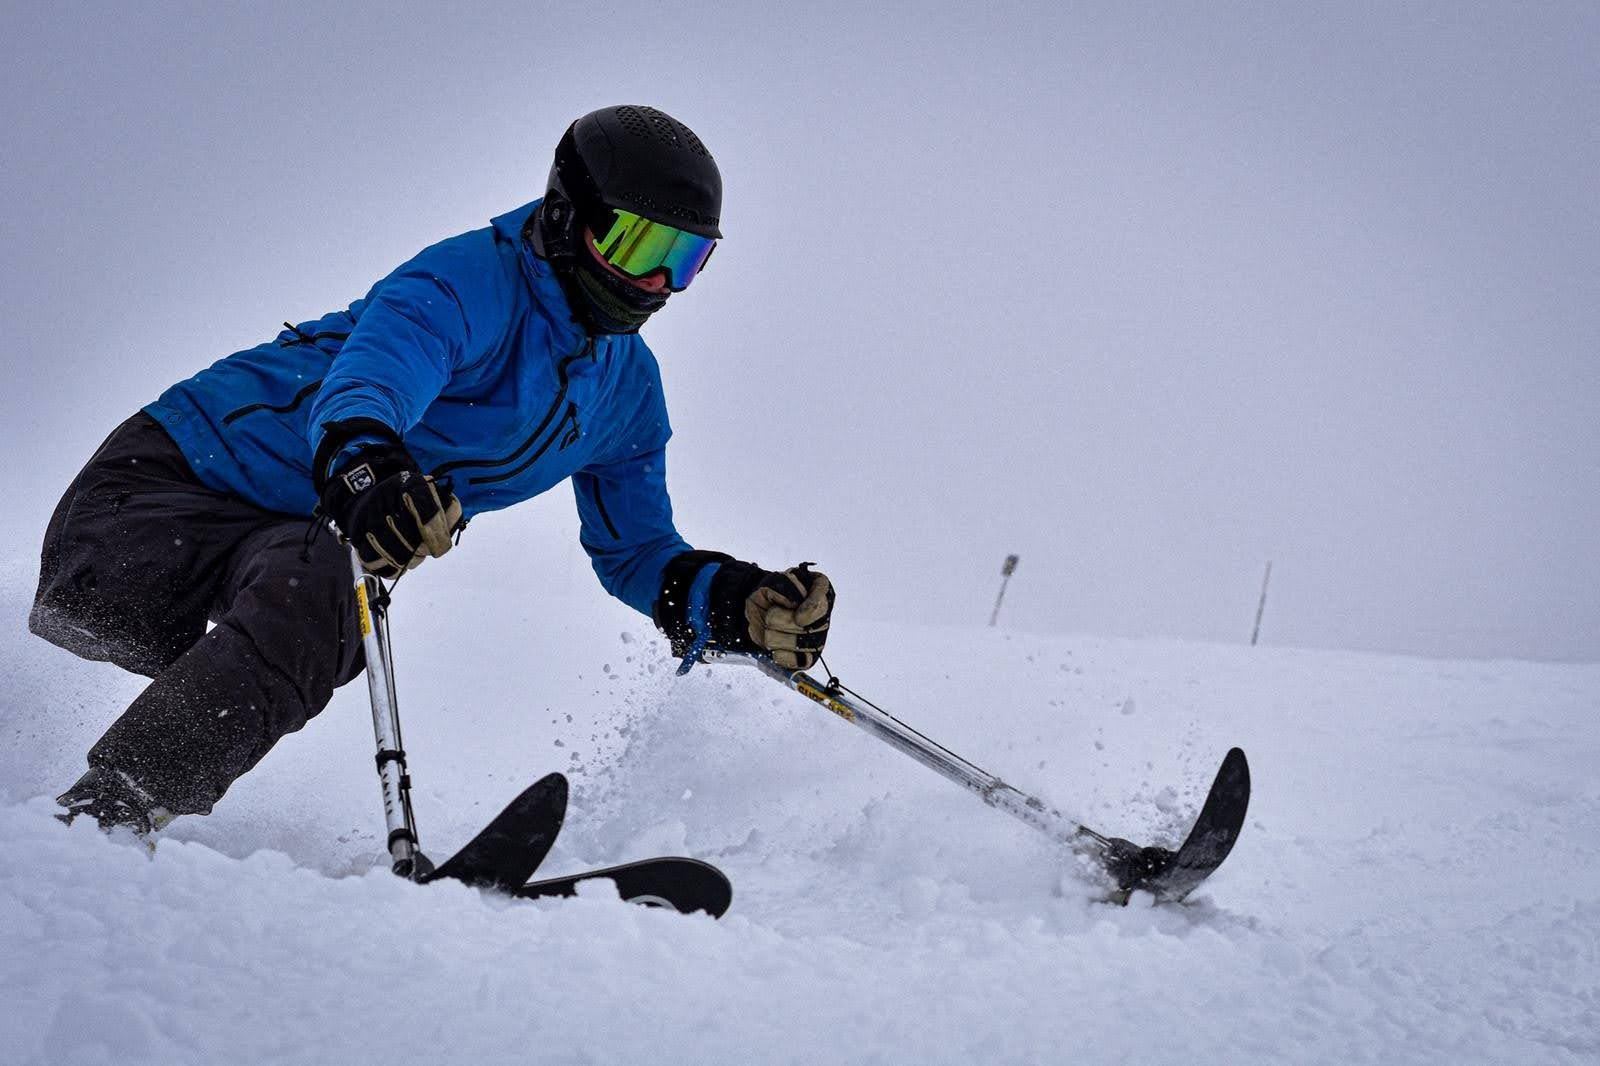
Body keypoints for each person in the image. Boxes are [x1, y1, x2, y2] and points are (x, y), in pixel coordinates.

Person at [31, 104, 835, 834]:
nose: (655, 282)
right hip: (147, 503)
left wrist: (730, 599)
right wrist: (370, 476)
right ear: (566, 215)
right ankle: (98, 817)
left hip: (281, 543)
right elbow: (365, 388)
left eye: (684, 260)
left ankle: (118, 810)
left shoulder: (626, 395)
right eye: (633, 243)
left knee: (328, 592)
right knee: (332, 577)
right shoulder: (462, 283)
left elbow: (635, 551)